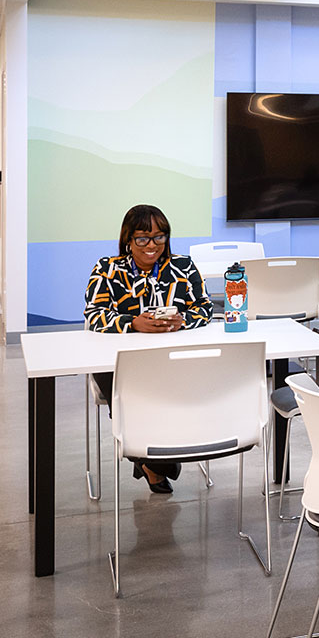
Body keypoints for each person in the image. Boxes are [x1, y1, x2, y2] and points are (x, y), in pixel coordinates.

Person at [82, 203, 213, 493]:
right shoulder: (107, 270)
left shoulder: (183, 267)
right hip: (116, 362)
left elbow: (205, 307)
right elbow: (93, 315)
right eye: (142, 238)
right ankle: (159, 463)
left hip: (172, 361)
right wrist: (132, 323)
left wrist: (184, 321)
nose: (151, 245)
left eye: (159, 237)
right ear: (128, 239)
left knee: (180, 397)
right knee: (132, 403)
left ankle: (151, 463)